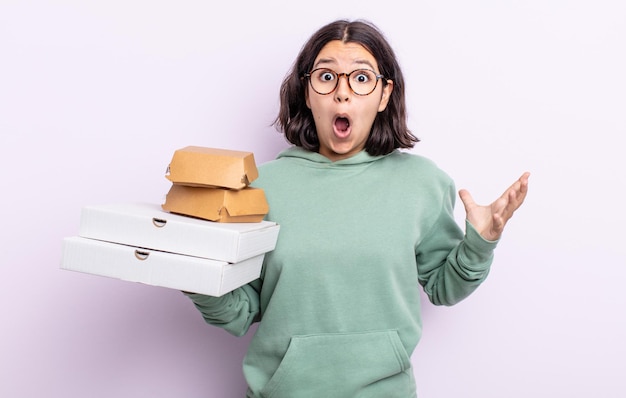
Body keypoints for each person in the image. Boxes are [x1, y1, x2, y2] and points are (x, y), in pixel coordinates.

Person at [184, 19, 529, 398]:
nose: (342, 94)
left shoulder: (422, 184)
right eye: (327, 77)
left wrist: (480, 244)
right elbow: (239, 312)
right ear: (307, 92)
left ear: (384, 95)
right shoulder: (260, 187)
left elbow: (444, 288)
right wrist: (194, 272)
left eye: (361, 79)